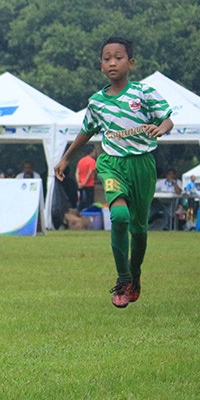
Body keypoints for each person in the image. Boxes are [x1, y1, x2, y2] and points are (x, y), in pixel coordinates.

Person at [54, 36, 173, 309]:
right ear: (101, 66)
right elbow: (87, 131)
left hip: (141, 164)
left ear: (131, 63)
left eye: (118, 57)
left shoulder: (143, 93)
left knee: (139, 229)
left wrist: (162, 129)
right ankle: (122, 280)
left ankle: (135, 274)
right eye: (107, 58)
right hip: (110, 163)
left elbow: (167, 118)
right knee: (118, 215)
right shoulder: (96, 102)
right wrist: (65, 158)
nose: (112, 62)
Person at [75, 145, 97, 209]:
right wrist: (85, 182)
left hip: (80, 185)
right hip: (89, 185)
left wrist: (79, 182)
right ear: (91, 152)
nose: (95, 154)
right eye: (94, 152)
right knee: (89, 203)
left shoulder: (81, 161)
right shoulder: (92, 161)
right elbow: (90, 173)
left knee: (81, 202)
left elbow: (77, 172)